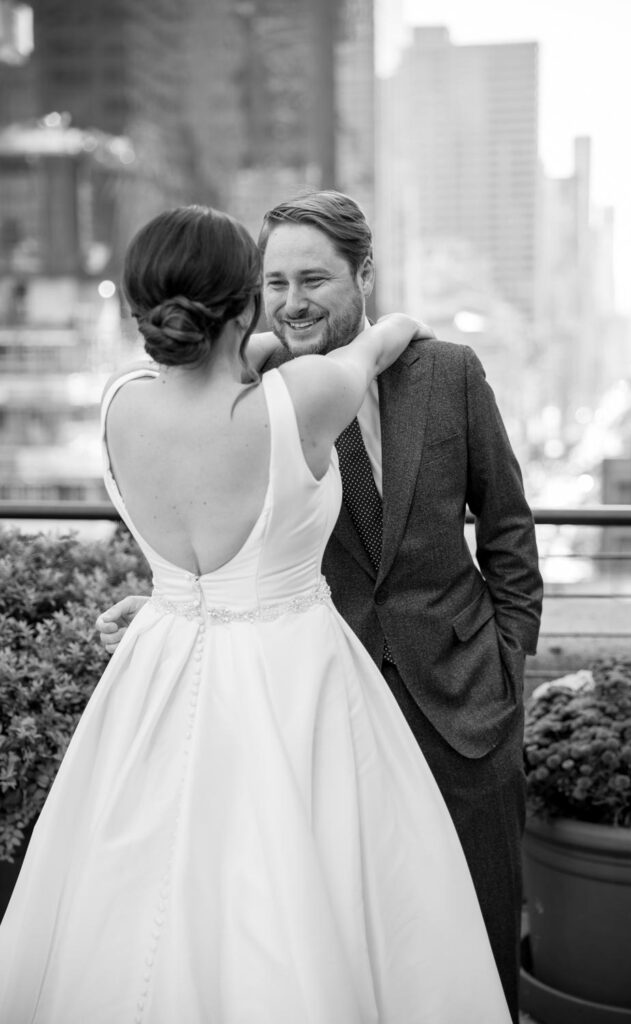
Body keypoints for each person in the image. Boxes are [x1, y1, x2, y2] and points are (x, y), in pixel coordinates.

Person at [0, 204, 512, 1023]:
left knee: (139, 888)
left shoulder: (118, 406)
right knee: (312, 888)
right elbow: (379, 343)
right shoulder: (299, 398)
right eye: (270, 284)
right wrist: (394, 313)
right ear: (245, 300)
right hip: (291, 676)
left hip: (161, 662)